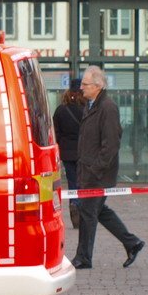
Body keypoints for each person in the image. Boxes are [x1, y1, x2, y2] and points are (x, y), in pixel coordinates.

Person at [71, 66, 145, 270]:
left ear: (97, 86)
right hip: (88, 171)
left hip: (98, 174)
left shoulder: (107, 107)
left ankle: (83, 257)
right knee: (98, 211)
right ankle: (132, 243)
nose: (81, 88)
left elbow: (111, 144)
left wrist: (96, 169)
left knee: (88, 212)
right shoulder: (91, 104)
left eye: (85, 84)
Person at [52, 78, 84, 229]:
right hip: (82, 152)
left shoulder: (60, 110)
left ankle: (74, 203)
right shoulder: (86, 109)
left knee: (72, 180)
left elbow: (55, 132)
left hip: (66, 152)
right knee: (82, 181)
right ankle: (81, 207)